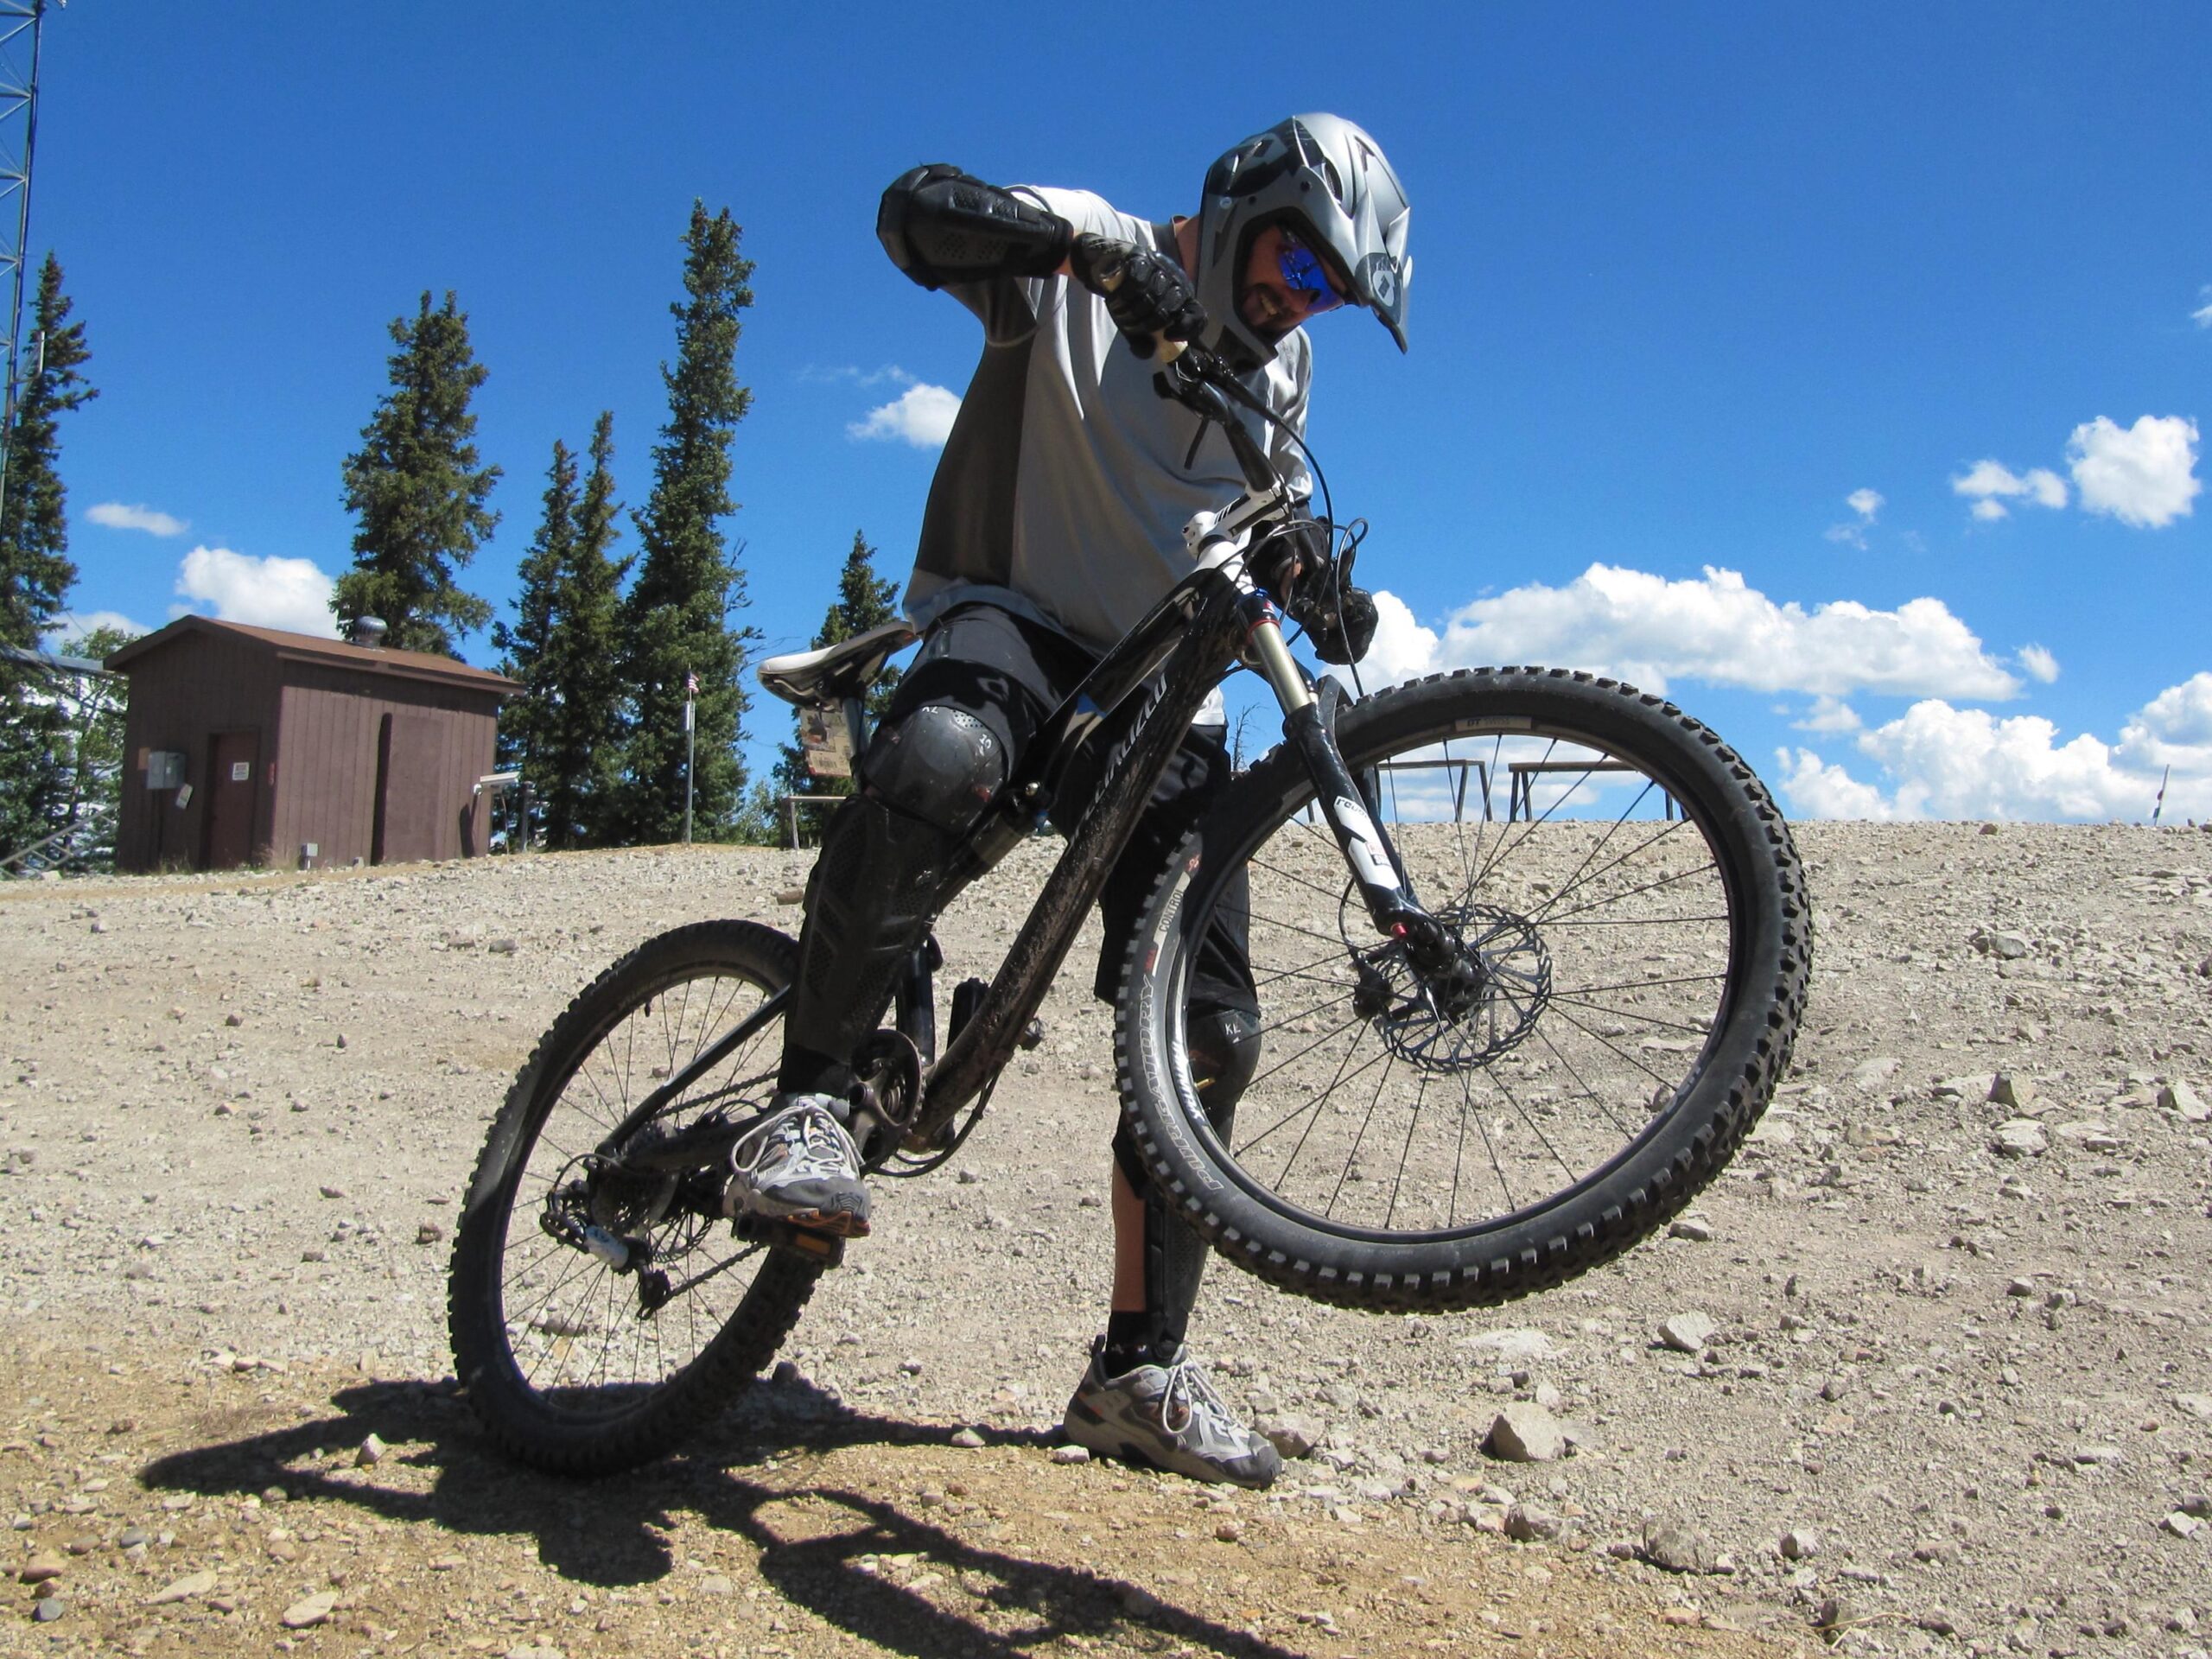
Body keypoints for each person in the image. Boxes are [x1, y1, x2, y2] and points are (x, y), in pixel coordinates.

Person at [729, 115, 1409, 1488]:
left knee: (1208, 1031)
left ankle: (1138, 1372)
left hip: (1160, 691)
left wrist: (1317, 583)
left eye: (1327, 288)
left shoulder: (1290, 375)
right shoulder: (1087, 245)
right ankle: (804, 1104)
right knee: (938, 768)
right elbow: (912, 211)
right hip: (1017, 622)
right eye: (1298, 260)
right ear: (1236, 208)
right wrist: (1082, 256)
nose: (1297, 298)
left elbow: (1256, 512)